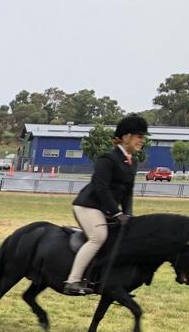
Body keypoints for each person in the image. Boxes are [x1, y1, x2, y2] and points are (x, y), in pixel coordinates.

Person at [63, 115, 147, 295]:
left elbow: (127, 192)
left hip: (107, 209)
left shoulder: (133, 162)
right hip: (89, 206)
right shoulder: (107, 159)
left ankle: (109, 281)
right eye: (139, 136)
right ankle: (73, 281)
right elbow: (101, 189)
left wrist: (129, 215)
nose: (142, 141)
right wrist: (117, 214)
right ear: (126, 137)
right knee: (98, 237)